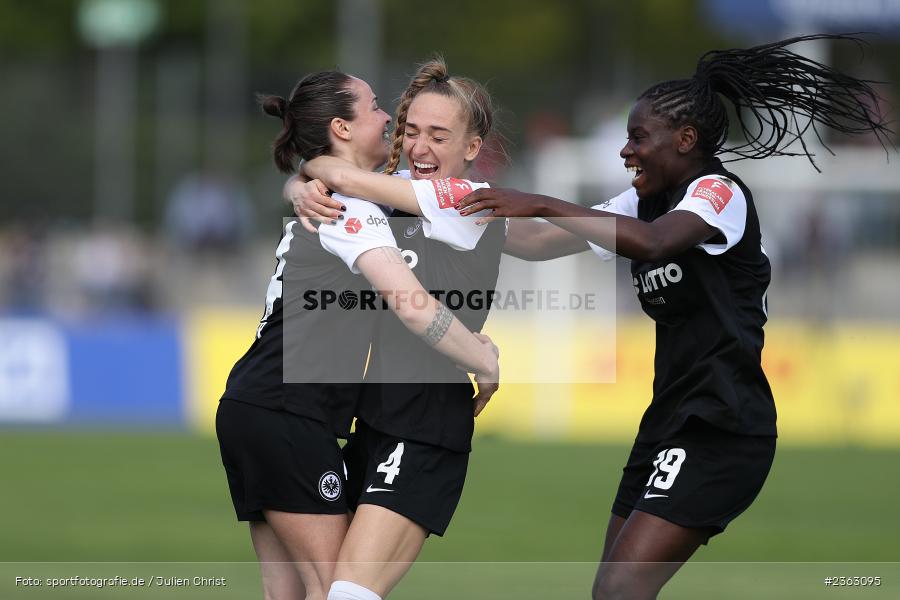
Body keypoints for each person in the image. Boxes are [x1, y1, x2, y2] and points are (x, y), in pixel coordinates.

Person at [452, 34, 891, 599]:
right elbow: (535, 242)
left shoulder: (719, 192)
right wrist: (435, 209)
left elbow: (655, 244)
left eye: (639, 137)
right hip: (667, 423)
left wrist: (541, 200)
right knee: (610, 594)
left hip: (723, 426)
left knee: (619, 593)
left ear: (686, 140)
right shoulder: (640, 202)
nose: (626, 150)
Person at [216, 70, 499, 600]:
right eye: (373, 107)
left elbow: (319, 171)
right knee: (335, 592)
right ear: (342, 128)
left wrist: (301, 178)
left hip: (258, 404)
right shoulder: (351, 207)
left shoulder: (330, 192)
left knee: (291, 594)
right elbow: (413, 307)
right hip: (284, 410)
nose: (388, 117)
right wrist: (483, 360)